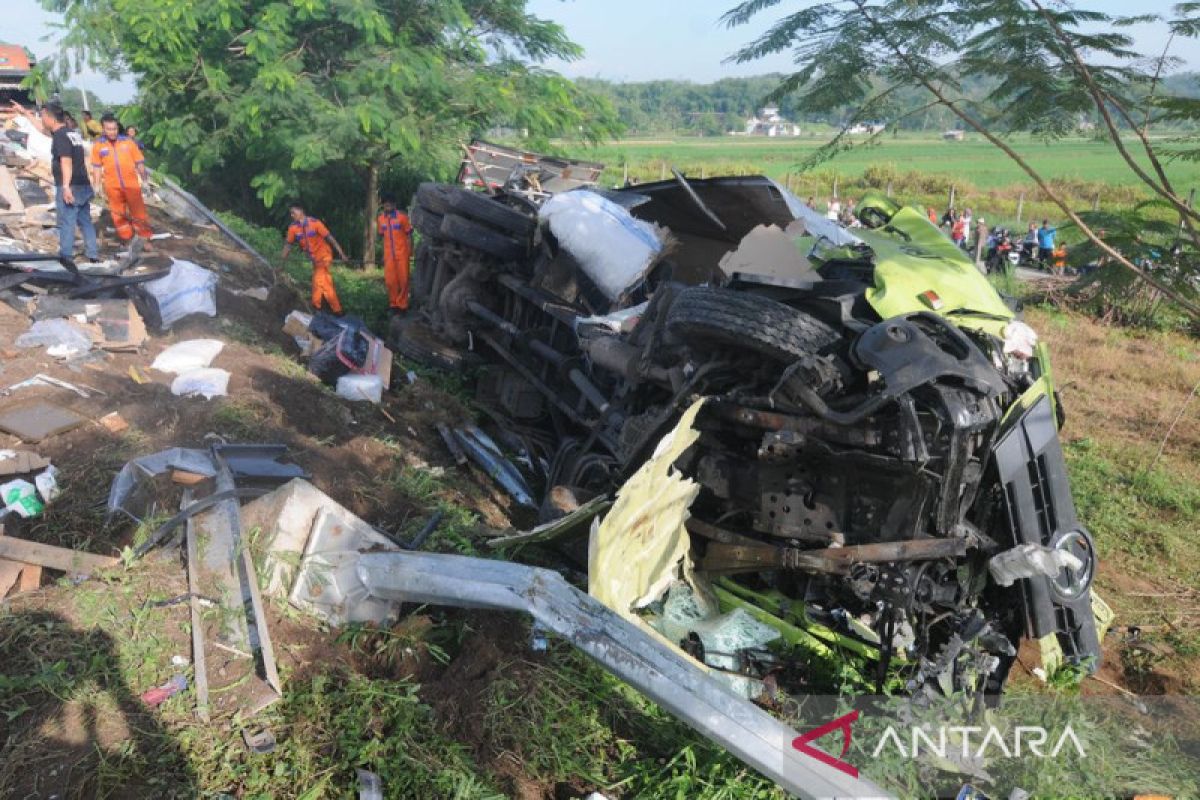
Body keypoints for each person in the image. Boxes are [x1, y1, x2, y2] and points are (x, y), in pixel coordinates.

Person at [37, 103, 99, 264]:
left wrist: (66, 187)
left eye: (42, 116)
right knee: (85, 220)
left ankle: (66, 257)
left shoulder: (60, 137)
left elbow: (66, 161)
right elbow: (41, 129)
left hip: (71, 185)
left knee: (67, 221)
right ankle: (93, 254)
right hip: (83, 183)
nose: (41, 119)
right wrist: (24, 112)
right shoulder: (71, 133)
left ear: (50, 118)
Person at [90, 113, 153, 261]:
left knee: (139, 214)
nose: (112, 132)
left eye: (114, 128)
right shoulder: (98, 146)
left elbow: (139, 163)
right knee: (118, 215)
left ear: (117, 127)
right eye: (109, 129)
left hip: (131, 185)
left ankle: (145, 240)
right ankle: (127, 239)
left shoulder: (129, 143)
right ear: (103, 129)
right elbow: (97, 167)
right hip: (112, 186)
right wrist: (97, 185)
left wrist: (144, 181)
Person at [282, 203, 348, 314]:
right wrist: (281, 261)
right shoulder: (293, 228)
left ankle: (316, 306)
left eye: (293, 212)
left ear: (301, 211)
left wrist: (341, 253)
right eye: (291, 213)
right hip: (314, 259)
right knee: (326, 283)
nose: (292, 215)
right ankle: (338, 310)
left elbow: (330, 238)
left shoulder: (315, 223)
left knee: (317, 280)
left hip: (324, 256)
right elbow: (288, 245)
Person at [376, 194, 413, 316]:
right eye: (385, 204)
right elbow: (382, 237)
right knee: (390, 281)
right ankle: (393, 305)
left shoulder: (402, 217)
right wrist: (382, 254)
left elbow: (409, 235)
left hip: (402, 254)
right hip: (389, 255)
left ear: (394, 205)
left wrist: (410, 251)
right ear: (383, 205)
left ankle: (402, 306)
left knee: (403, 279)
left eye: (390, 204)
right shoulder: (381, 219)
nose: (388, 206)